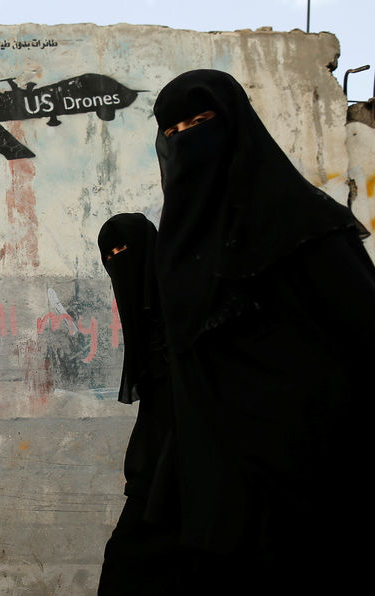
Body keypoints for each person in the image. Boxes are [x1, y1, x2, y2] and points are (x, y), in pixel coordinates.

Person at [153, 69, 374, 594]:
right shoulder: (178, 249)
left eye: (201, 121)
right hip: (218, 500)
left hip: (308, 489)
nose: (185, 138)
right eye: (171, 130)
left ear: (236, 125)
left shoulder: (303, 224)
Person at [96, 214, 180, 595]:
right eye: (110, 255)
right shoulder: (148, 316)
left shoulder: (180, 308)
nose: (118, 259)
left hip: (182, 476)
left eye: (124, 251)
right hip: (159, 475)